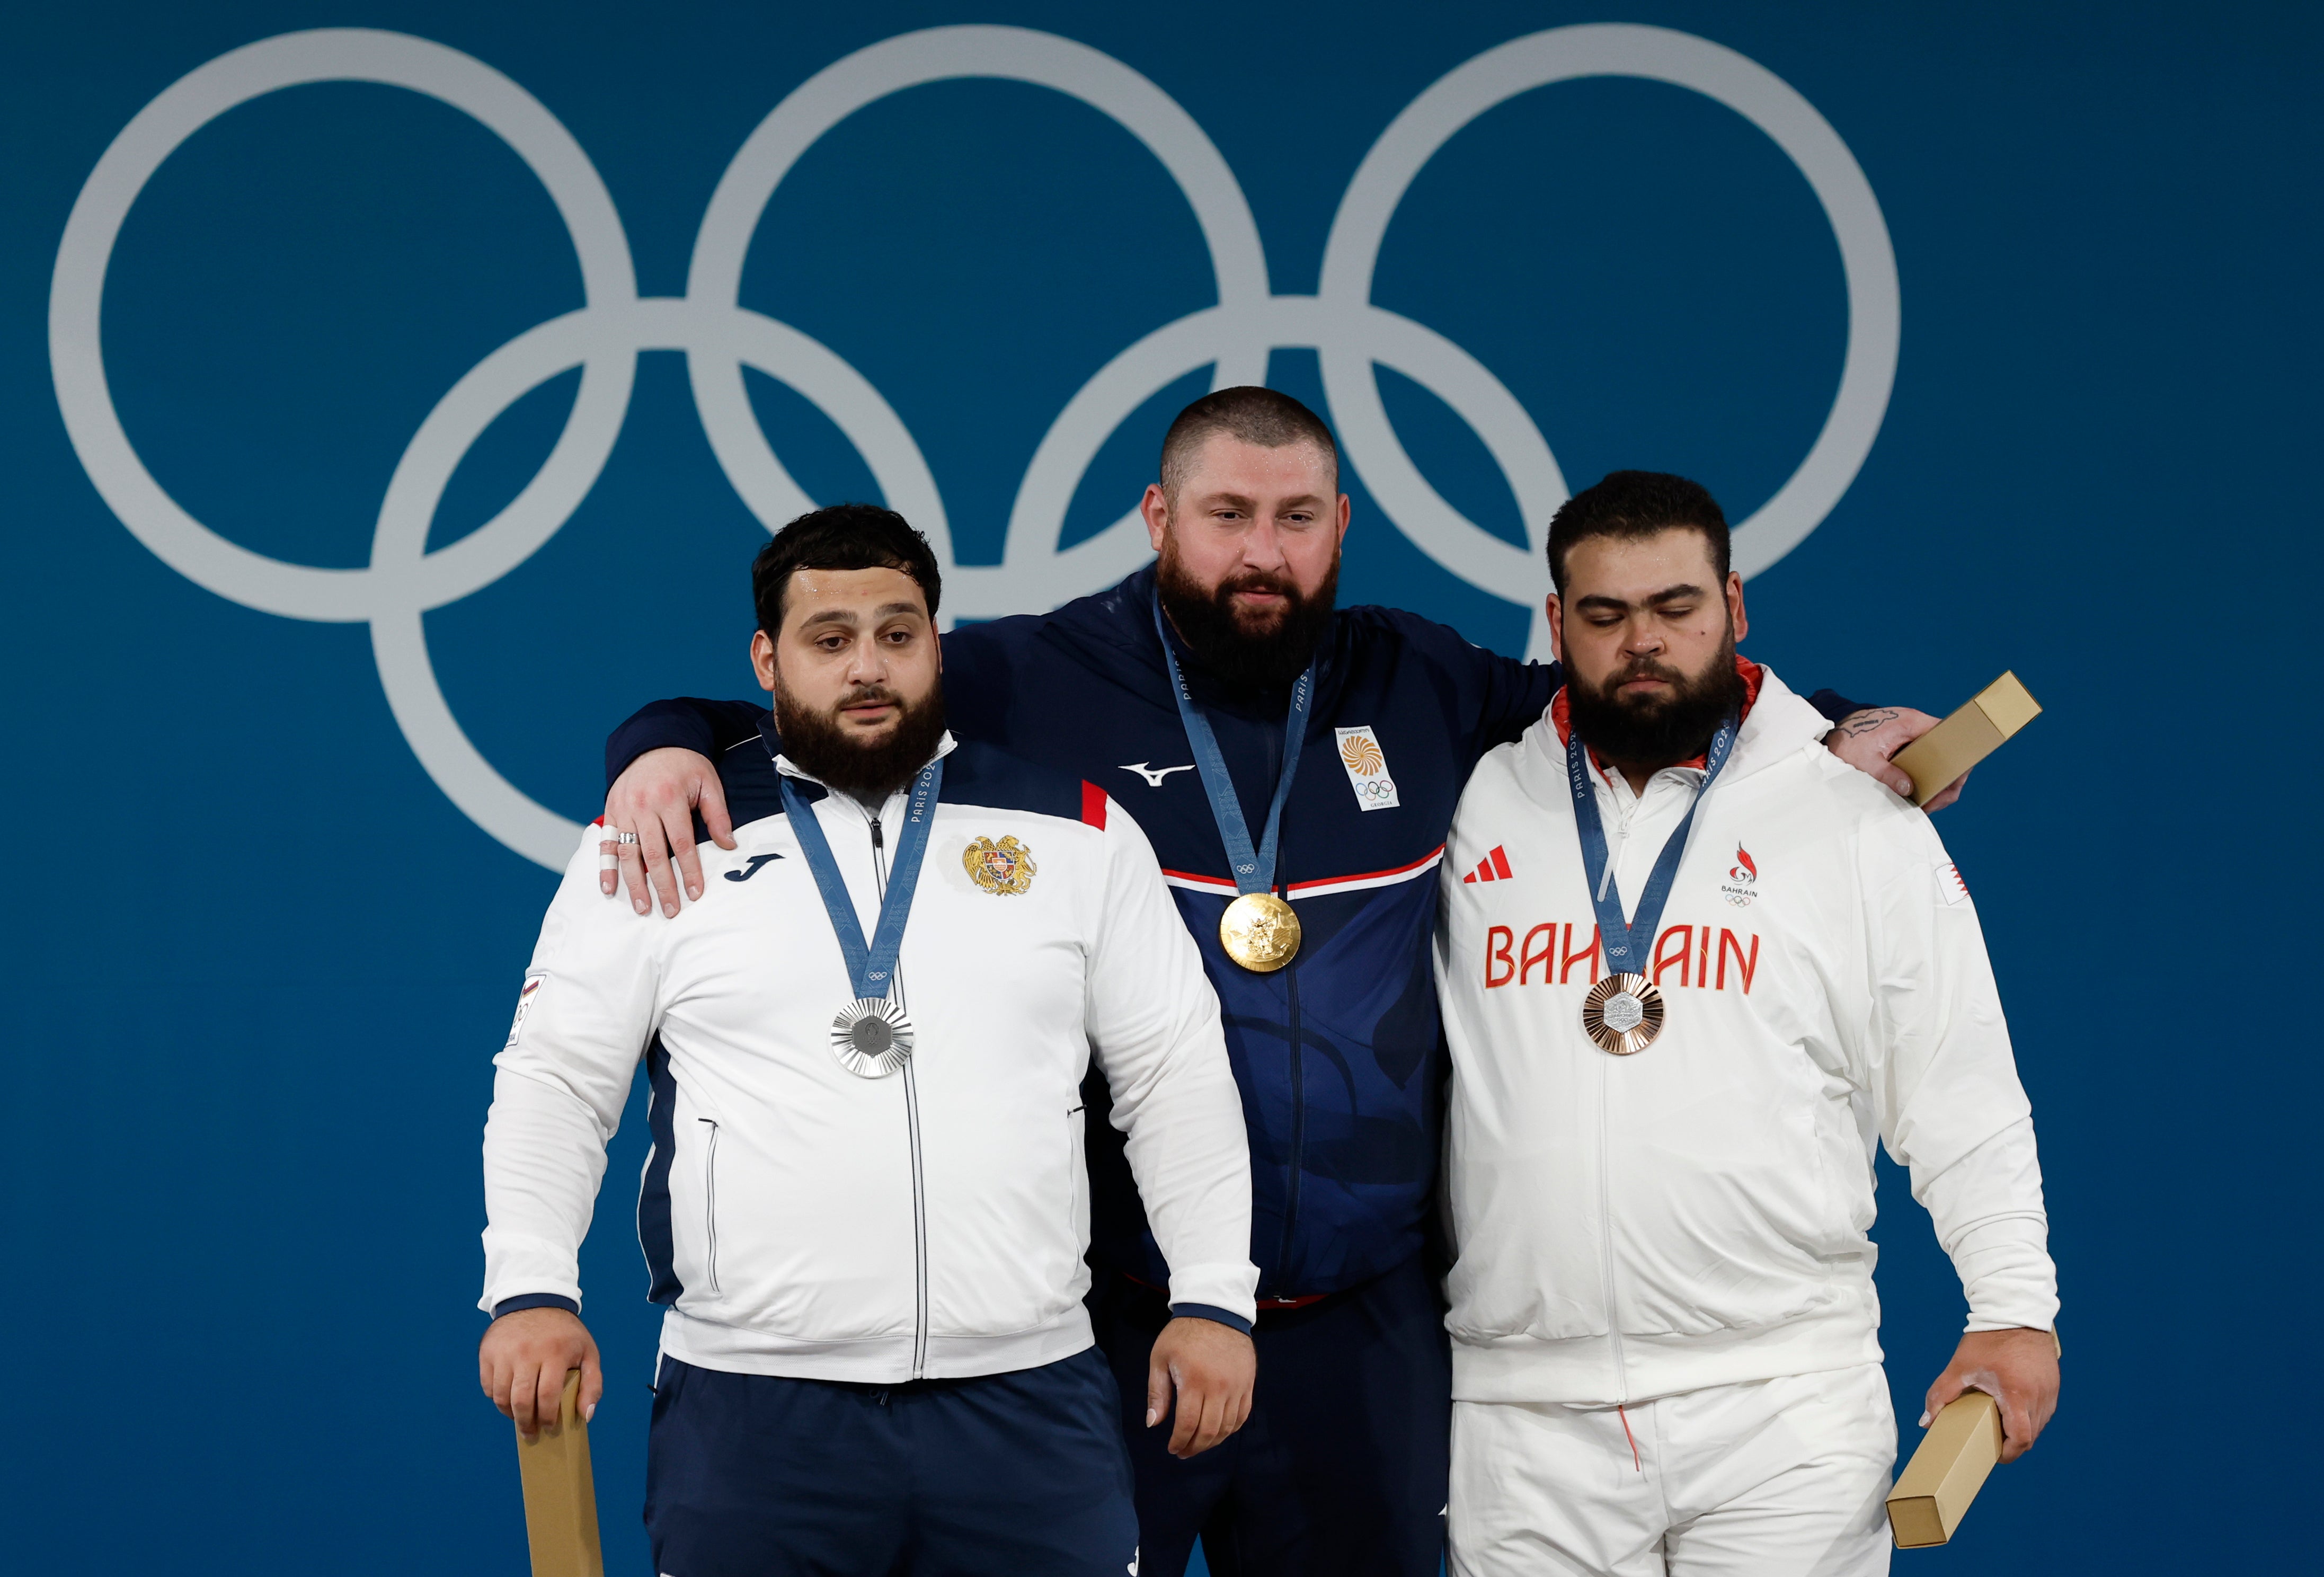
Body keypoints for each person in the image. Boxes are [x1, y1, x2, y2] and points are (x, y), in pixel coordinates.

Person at [595, 389, 1962, 1577]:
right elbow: (832, 701)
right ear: (1156, 516)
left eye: (1297, 516)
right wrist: (659, 743)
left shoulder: (1416, 673)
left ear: (1343, 523)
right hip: (1124, 1308)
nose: (1263, 551)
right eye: (1229, 513)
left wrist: (1840, 718)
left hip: (1361, 1322)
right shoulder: (1027, 676)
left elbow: (1636, 682)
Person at [477, 504, 1259, 1577]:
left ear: (937, 643)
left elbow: (1174, 1074)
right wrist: (532, 1287)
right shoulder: (663, 838)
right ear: (768, 657)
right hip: (755, 1414)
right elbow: (557, 1080)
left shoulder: (1073, 830)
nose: (867, 668)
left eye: (897, 634)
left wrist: (1214, 1294)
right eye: (829, 640)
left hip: (1029, 1403)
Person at [1434, 471, 2060, 1576]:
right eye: (1606, 615)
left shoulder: (1853, 812)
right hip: (1522, 1419)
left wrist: (2013, 1305)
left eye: (1677, 608)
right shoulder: (1478, 796)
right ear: (1554, 624)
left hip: (1783, 1407)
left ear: (1735, 604)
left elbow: (1956, 1081)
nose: (1644, 643)